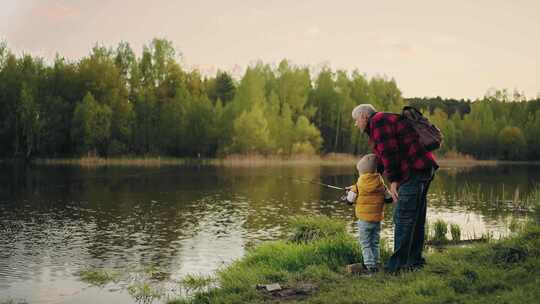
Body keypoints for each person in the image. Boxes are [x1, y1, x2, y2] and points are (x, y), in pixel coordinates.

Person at [351, 104, 438, 273]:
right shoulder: (382, 121)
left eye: (356, 120)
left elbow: (390, 153)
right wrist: (364, 183)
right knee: (416, 218)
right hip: (423, 168)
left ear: (364, 116)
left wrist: (394, 180)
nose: (356, 124)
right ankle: (414, 262)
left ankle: (396, 267)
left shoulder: (378, 122)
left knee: (403, 218)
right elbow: (383, 158)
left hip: (413, 171)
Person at [345, 154, 392, 273]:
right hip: (377, 220)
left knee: (365, 243)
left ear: (362, 173)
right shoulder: (381, 184)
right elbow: (389, 199)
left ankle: (370, 266)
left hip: (364, 220)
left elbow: (349, 201)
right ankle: (376, 262)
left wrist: (348, 195)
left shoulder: (357, 186)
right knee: (375, 242)